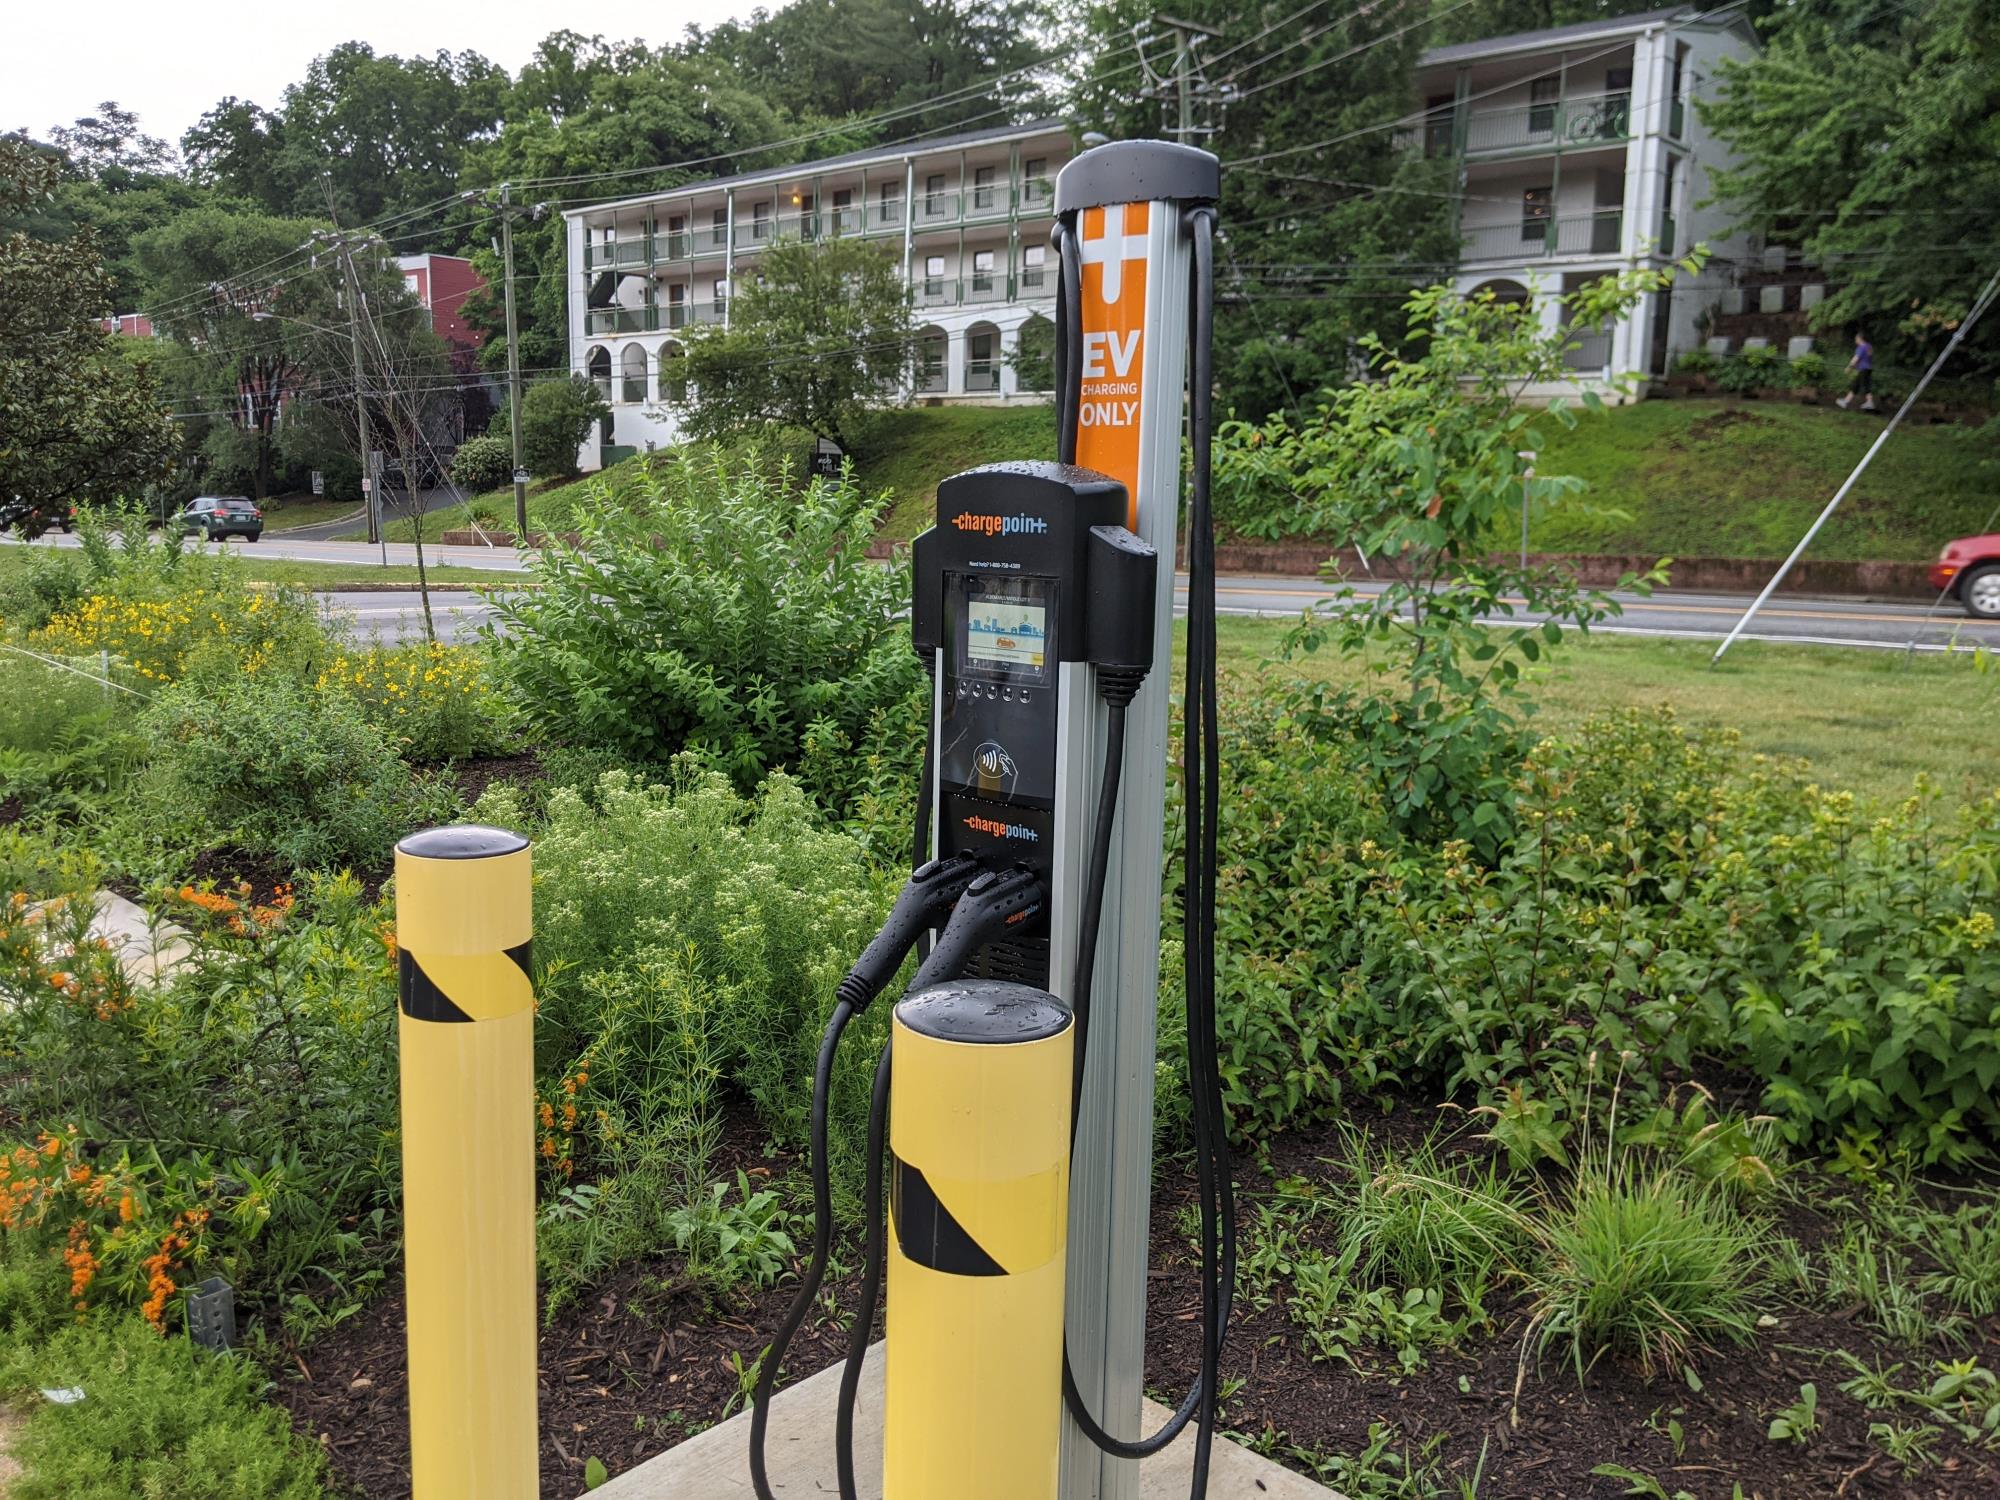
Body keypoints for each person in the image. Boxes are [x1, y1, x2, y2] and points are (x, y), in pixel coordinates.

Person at [1836, 330, 1876, 412]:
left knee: (1865, 386)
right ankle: (1846, 401)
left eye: (1856, 339)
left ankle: (1870, 402)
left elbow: (1856, 359)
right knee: (1856, 386)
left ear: (1860, 338)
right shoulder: (1869, 346)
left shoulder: (1861, 347)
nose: (1855, 340)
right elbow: (1869, 356)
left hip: (1863, 369)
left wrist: (1849, 367)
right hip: (1868, 368)